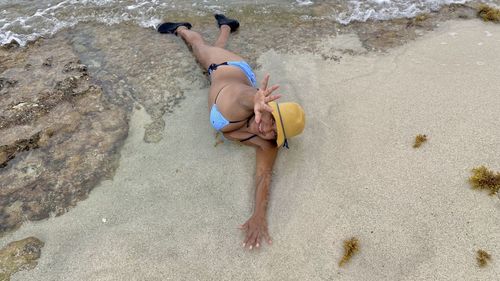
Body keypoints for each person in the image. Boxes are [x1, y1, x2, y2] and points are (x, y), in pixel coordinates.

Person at [157, 14, 305, 250]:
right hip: (228, 69)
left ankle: (227, 26)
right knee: (198, 48)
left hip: (231, 75)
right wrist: (255, 97)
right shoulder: (242, 101)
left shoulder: (268, 143)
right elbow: (243, 97)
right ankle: (181, 29)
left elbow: (264, 176)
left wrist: (258, 214)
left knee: (212, 55)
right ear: (267, 108)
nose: (267, 128)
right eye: (272, 118)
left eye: (276, 131)